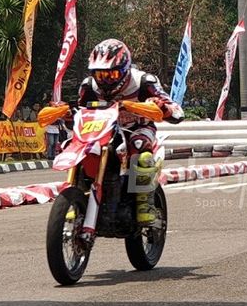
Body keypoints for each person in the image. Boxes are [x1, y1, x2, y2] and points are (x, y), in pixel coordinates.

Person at [77, 38, 183, 224]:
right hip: (103, 131)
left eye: (112, 74)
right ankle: (76, 198)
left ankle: (145, 203)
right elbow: (79, 110)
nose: (106, 80)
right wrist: (63, 112)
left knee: (140, 147)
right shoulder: (88, 86)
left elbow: (177, 111)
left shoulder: (144, 81)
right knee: (79, 147)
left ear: (125, 69)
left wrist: (162, 108)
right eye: (100, 75)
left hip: (137, 128)